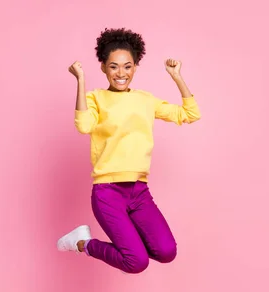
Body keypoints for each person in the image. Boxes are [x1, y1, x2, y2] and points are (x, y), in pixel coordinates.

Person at [56, 27, 201, 274]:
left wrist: (177, 77)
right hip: (107, 193)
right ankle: (82, 243)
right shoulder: (96, 98)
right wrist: (80, 81)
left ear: (135, 67)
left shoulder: (145, 100)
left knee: (166, 252)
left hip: (139, 191)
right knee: (137, 262)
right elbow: (84, 125)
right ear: (103, 67)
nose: (121, 73)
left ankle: (123, 244)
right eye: (113, 66)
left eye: (127, 66)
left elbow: (190, 114)